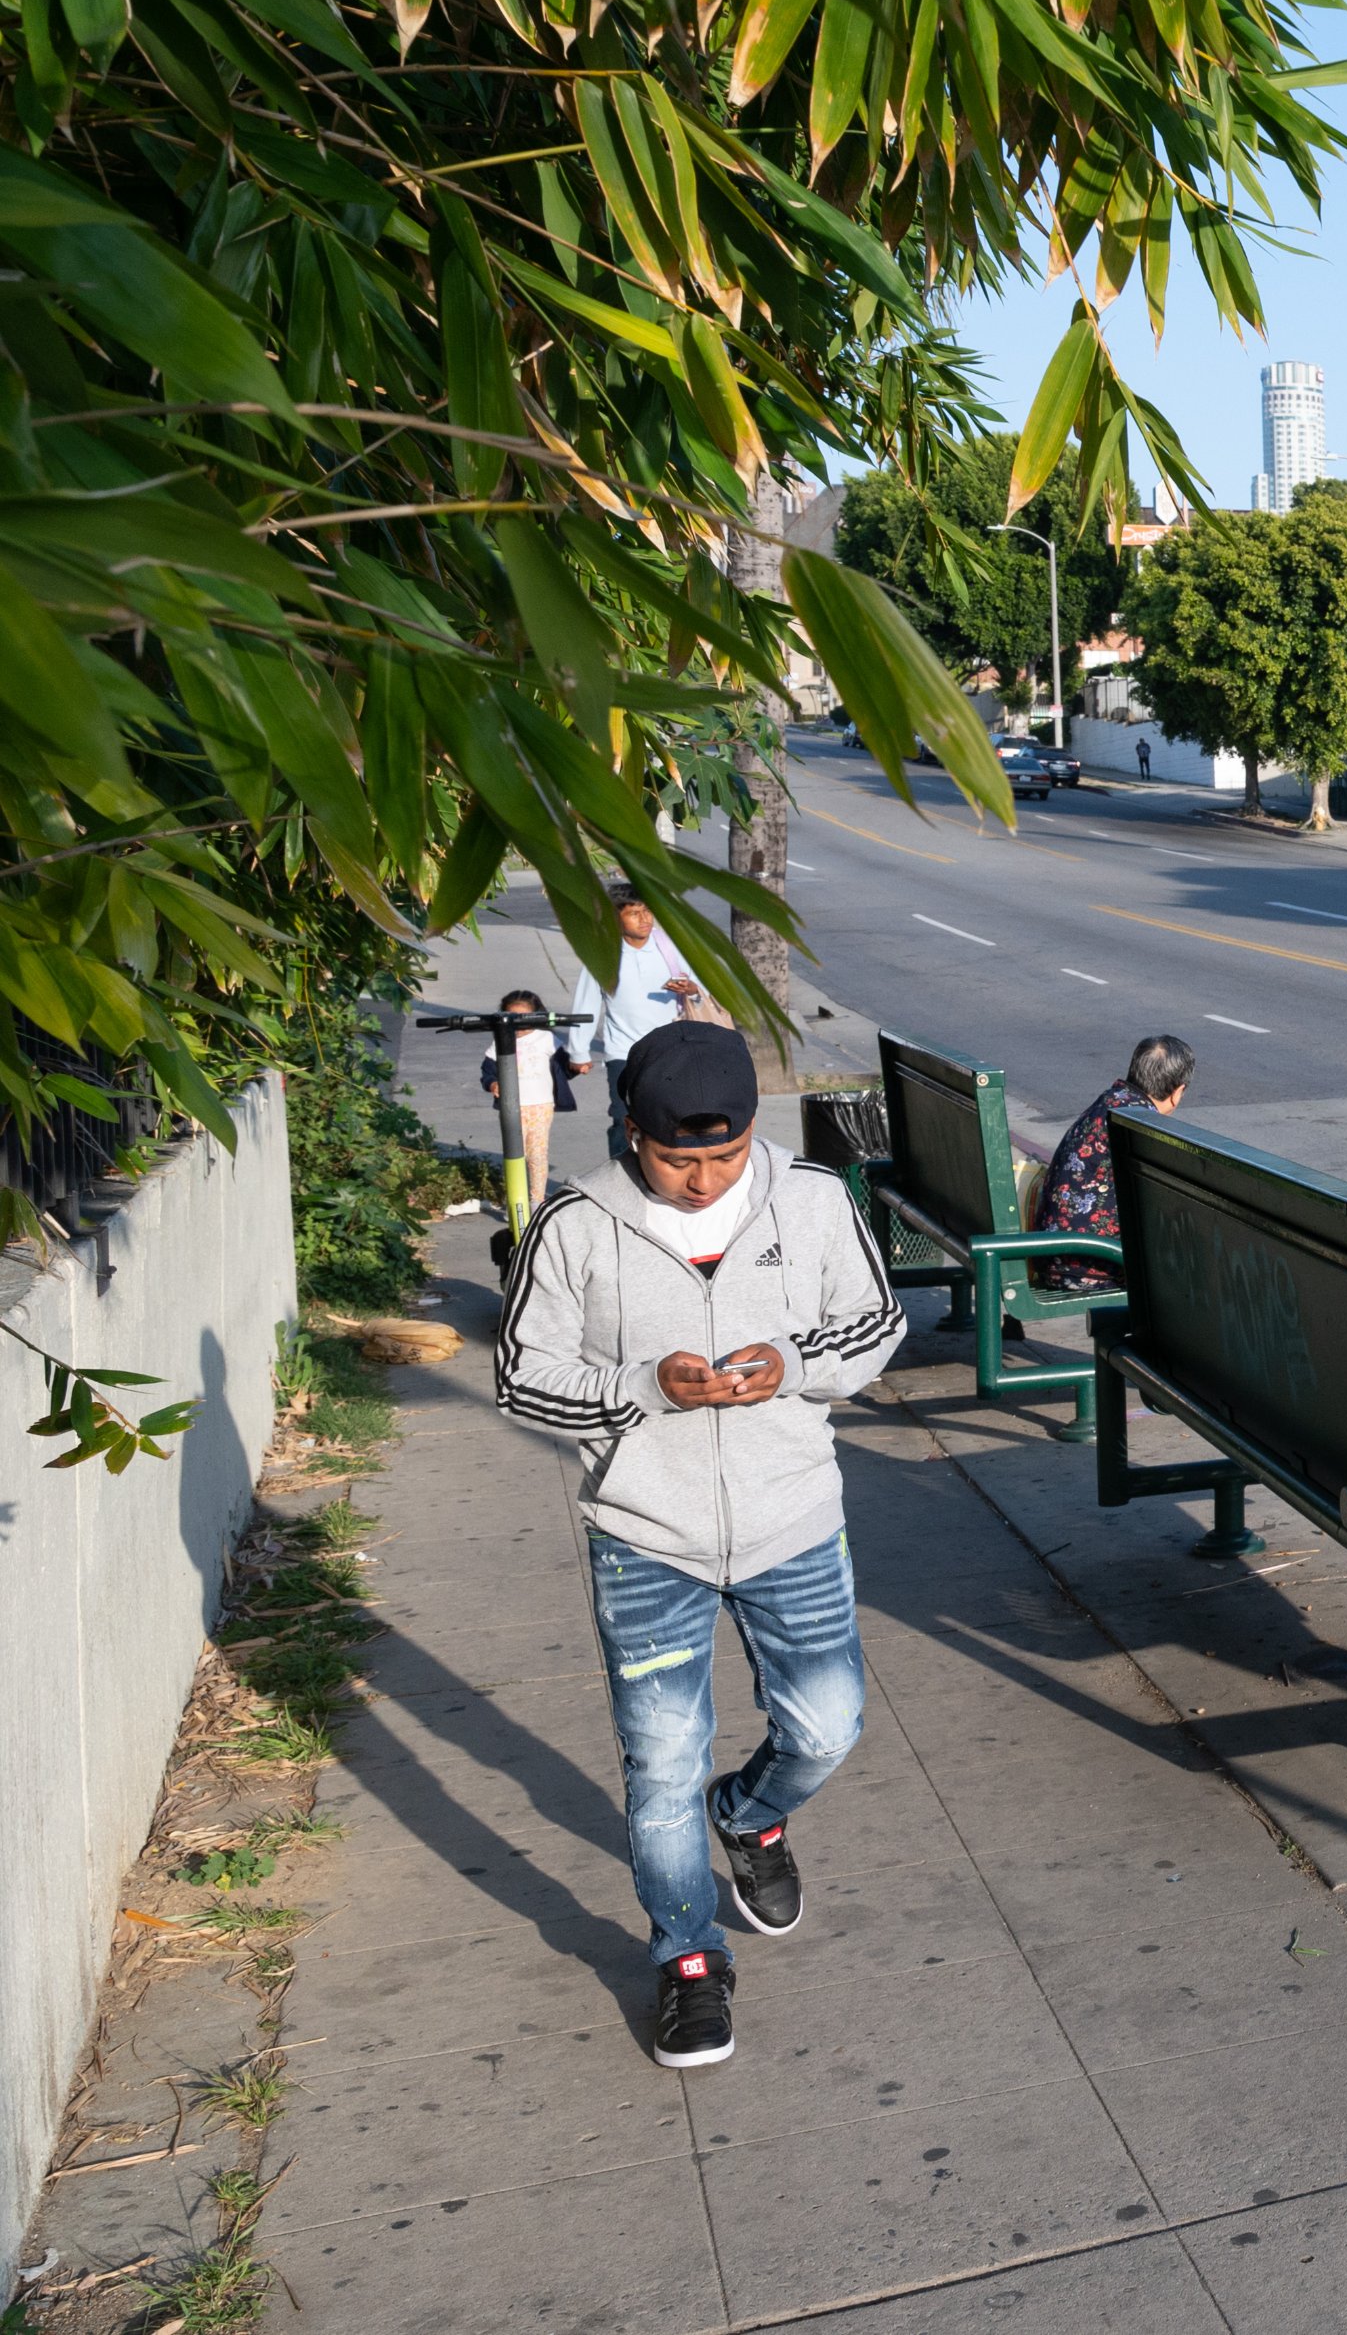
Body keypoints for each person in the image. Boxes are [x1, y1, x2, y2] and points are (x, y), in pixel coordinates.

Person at [495, 1022, 905, 2071]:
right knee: (661, 1761)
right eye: (678, 1157)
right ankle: (687, 1957)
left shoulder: (812, 1199)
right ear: (632, 1132)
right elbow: (521, 1378)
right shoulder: (575, 1223)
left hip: (792, 1518)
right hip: (647, 1536)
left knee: (828, 1722)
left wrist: (792, 1360)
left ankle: (753, 1813)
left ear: (752, 1129)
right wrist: (642, 1388)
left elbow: (876, 1325)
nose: (701, 1177)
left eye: (722, 1157)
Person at [1025, 1035, 1194, 1291]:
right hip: (1092, 1263)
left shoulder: (1110, 1101)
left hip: (1054, 1255)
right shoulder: (1142, 1125)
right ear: (1177, 1093)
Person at [565, 886, 706, 1160]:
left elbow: (703, 991)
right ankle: (620, 1178)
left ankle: (671, 1174)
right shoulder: (603, 954)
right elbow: (587, 1004)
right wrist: (578, 1052)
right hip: (623, 1054)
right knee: (623, 1119)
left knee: (675, 1118)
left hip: (671, 1051)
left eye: (647, 911)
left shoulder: (670, 948)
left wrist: (690, 989)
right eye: (633, 913)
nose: (644, 919)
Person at [484, 987, 560, 1205]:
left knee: (537, 1155)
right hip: (511, 1106)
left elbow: (563, 1065)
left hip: (540, 1106)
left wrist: (578, 1065)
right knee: (514, 1155)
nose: (518, 1024)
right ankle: (515, 1200)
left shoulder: (546, 1039)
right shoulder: (501, 1039)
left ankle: (536, 1200)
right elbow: (488, 1069)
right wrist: (492, 1083)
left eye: (523, 1019)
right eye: (512, 1018)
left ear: (536, 1017)